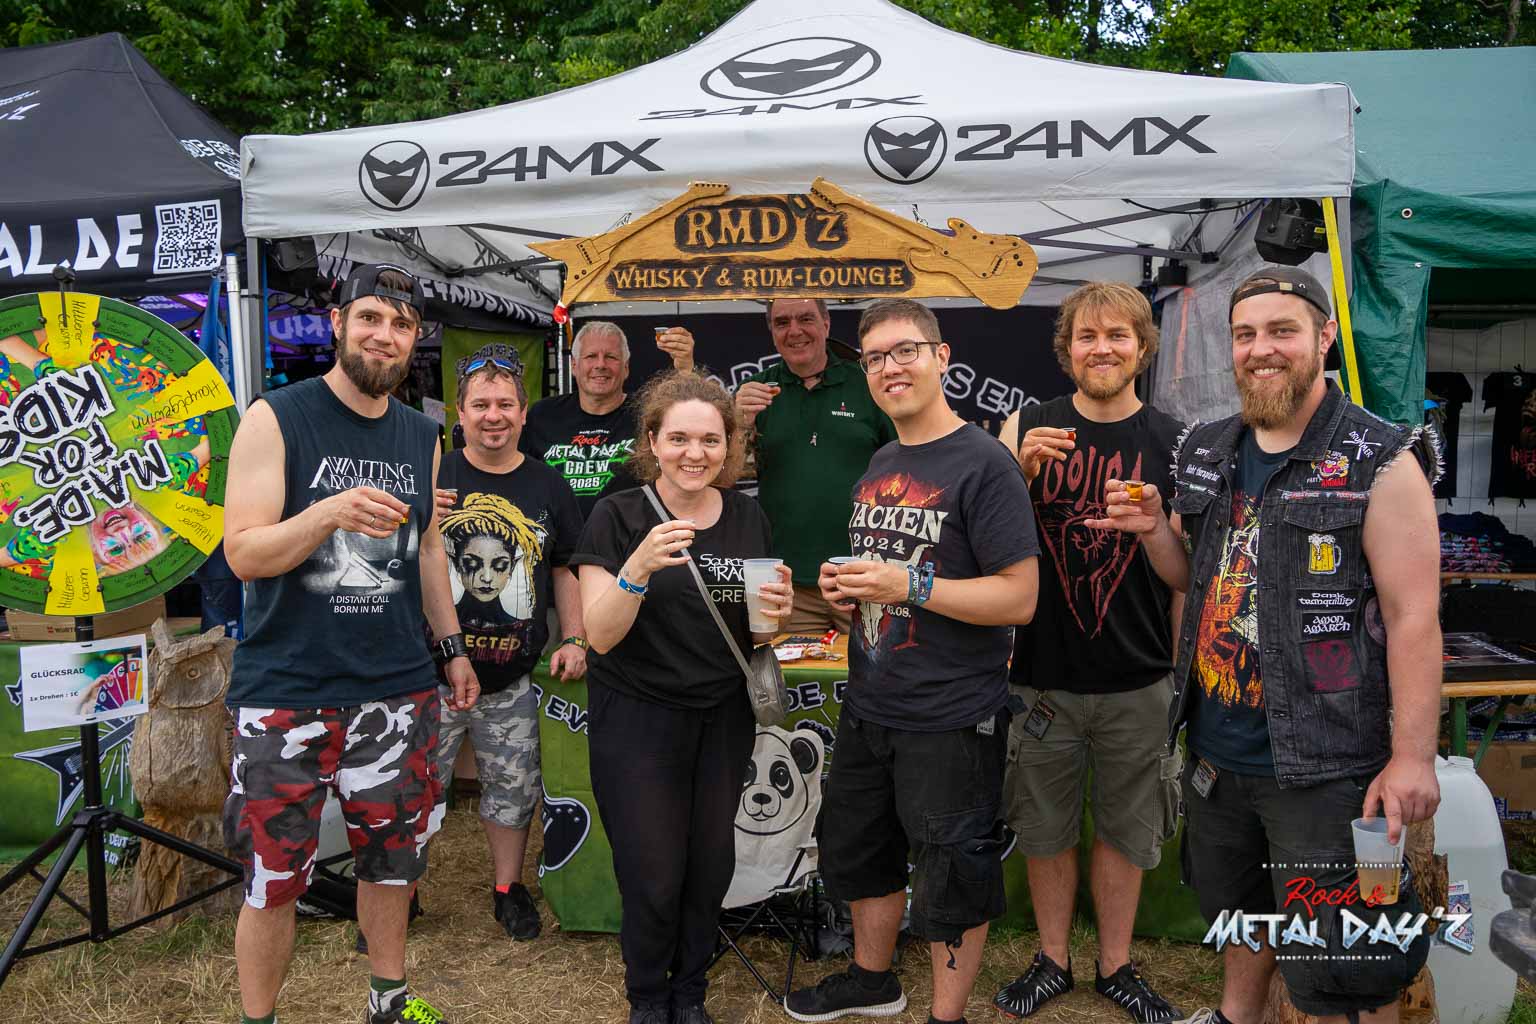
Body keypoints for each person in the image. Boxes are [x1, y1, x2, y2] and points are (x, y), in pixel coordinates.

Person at [1092, 266, 1443, 1024]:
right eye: (1245, 335)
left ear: (1324, 337)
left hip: (1328, 763)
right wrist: (1153, 531)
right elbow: (1193, 577)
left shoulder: (1381, 459)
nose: (1261, 349)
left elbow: (1414, 616)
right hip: (1219, 752)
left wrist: (1413, 757)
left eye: (1282, 331)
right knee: (1243, 916)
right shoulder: (1208, 448)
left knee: (1347, 963)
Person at [221, 263, 479, 1024]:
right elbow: (243, 553)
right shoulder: (276, 417)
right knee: (274, 881)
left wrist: (453, 646)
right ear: (337, 324)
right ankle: (259, 1018)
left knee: (393, 866)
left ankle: (387, 1000)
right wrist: (326, 513)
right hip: (287, 692)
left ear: (414, 339)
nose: (384, 336)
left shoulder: (422, 433)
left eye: (401, 325)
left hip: (396, 689)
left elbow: (427, 549)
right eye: (369, 317)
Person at [785, 299, 1041, 1024]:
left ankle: (945, 1015)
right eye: (875, 358)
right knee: (863, 853)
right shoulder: (882, 461)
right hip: (872, 702)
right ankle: (873, 981)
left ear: (941, 356)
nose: (890, 368)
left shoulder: (985, 463)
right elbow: (887, 579)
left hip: (951, 713)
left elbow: (1020, 597)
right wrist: (844, 588)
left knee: (952, 871)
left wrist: (911, 586)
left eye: (905, 351)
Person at [571, 369, 793, 1024]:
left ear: (729, 446)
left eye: (710, 440)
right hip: (638, 717)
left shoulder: (748, 516)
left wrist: (775, 614)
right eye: (679, 439)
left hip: (722, 716)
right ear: (652, 441)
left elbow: (756, 632)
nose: (695, 453)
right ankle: (647, 995)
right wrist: (637, 568)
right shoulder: (617, 515)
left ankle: (690, 990)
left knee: (708, 864)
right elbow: (600, 635)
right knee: (653, 868)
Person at [992, 283, 1185, 1022]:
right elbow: (980, 542)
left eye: (1117, 336)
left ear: (1142, 347)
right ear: (1066, 350)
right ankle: (1052, 960)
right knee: (1044, 828)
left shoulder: (1173, 440)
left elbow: (1184, 576)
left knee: (1126, 831)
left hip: (1138, 676)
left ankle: (1115, 965)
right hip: (1041, 676)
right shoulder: (1027, 425)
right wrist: (1017, 474)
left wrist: (1155, 527)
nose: (1101, 349)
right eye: (1087, 336)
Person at [429, 343, 586, 941]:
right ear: (460, 413)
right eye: (480, 405)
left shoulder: (548, 483)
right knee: (415, 789)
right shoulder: (434, 476)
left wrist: (575, 637)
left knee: (513, 791)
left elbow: (566, 567)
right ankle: (400, 891)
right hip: (430, 673)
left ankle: (507, 888)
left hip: (512, 676)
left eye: (504, 405)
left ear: (523, 413)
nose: (493, 416)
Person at [733, 298, 897, 634]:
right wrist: (739, 425)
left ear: (826, 323)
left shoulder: (867, 383)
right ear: (771, 330)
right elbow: (724, 479)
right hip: (787, 583)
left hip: (862, 576)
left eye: (805, 319)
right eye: (782, 322)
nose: (794, 331)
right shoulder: (756, 392)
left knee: (875, 667)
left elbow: (907, 466)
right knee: (789, 668)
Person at [520, 320, 695, 517]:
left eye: (611, 357)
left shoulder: (648, 414)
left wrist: (685, 370)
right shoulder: (543, 414)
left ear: (626, 368)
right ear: (574, 366)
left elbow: (690, 426)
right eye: (591, 356)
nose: (600, 365)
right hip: (557, 535)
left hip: (632, 534)